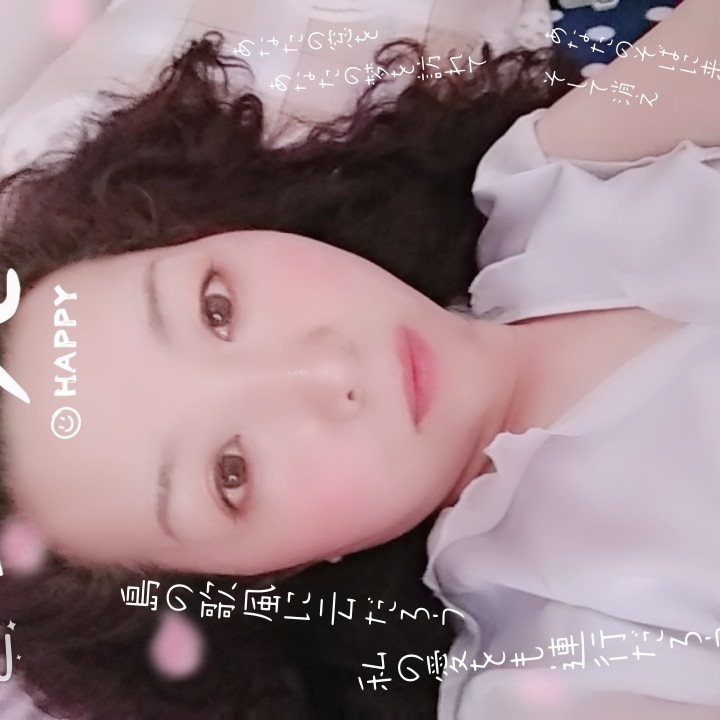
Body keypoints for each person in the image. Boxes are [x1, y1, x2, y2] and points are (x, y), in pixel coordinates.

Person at [0, 28, 576, 720]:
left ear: (223, 224)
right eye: (231, 473)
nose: (328, 370)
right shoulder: (570, 661)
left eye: (216, 309)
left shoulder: (547, 172)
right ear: (265, 579)